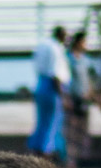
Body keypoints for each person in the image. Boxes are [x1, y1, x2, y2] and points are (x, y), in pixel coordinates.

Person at [28, 25, 70, 159]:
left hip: (41, 85)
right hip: (53, 88)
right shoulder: (56, 48)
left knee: (42, 122)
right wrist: (63, 96)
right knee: (52, 123)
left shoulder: (42, 45)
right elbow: (56, 74)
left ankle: (36, 151)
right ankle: (46, 154)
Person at [64, 30, 92, 168]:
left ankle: (82, 157)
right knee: (71, 130)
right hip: (73, 97)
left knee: (83, 129)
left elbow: (89, 79)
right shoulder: (68, 59)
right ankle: (70, 159)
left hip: (84, 98)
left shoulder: (86, 60)